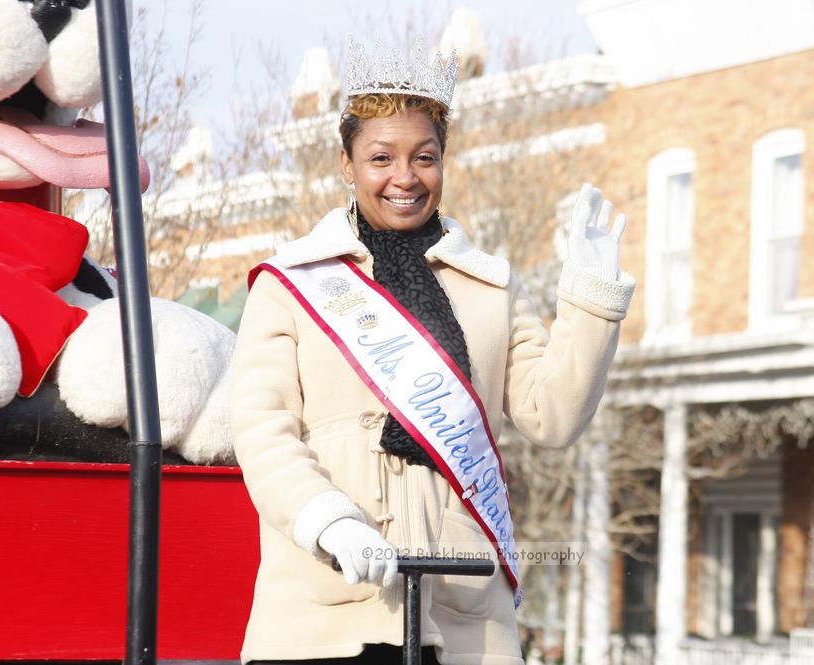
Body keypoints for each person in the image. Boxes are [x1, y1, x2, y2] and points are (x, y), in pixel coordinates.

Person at [229, 36, 635, 665]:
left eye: (424, 157)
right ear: (347, 163)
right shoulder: (292, 283)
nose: (404, 178)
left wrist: (590, 298)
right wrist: (326, 519)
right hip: (328, 600)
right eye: (381, 157)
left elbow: (552, 418)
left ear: (443, 161)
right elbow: (260, 428)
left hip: (462, 605)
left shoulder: (492, 287)